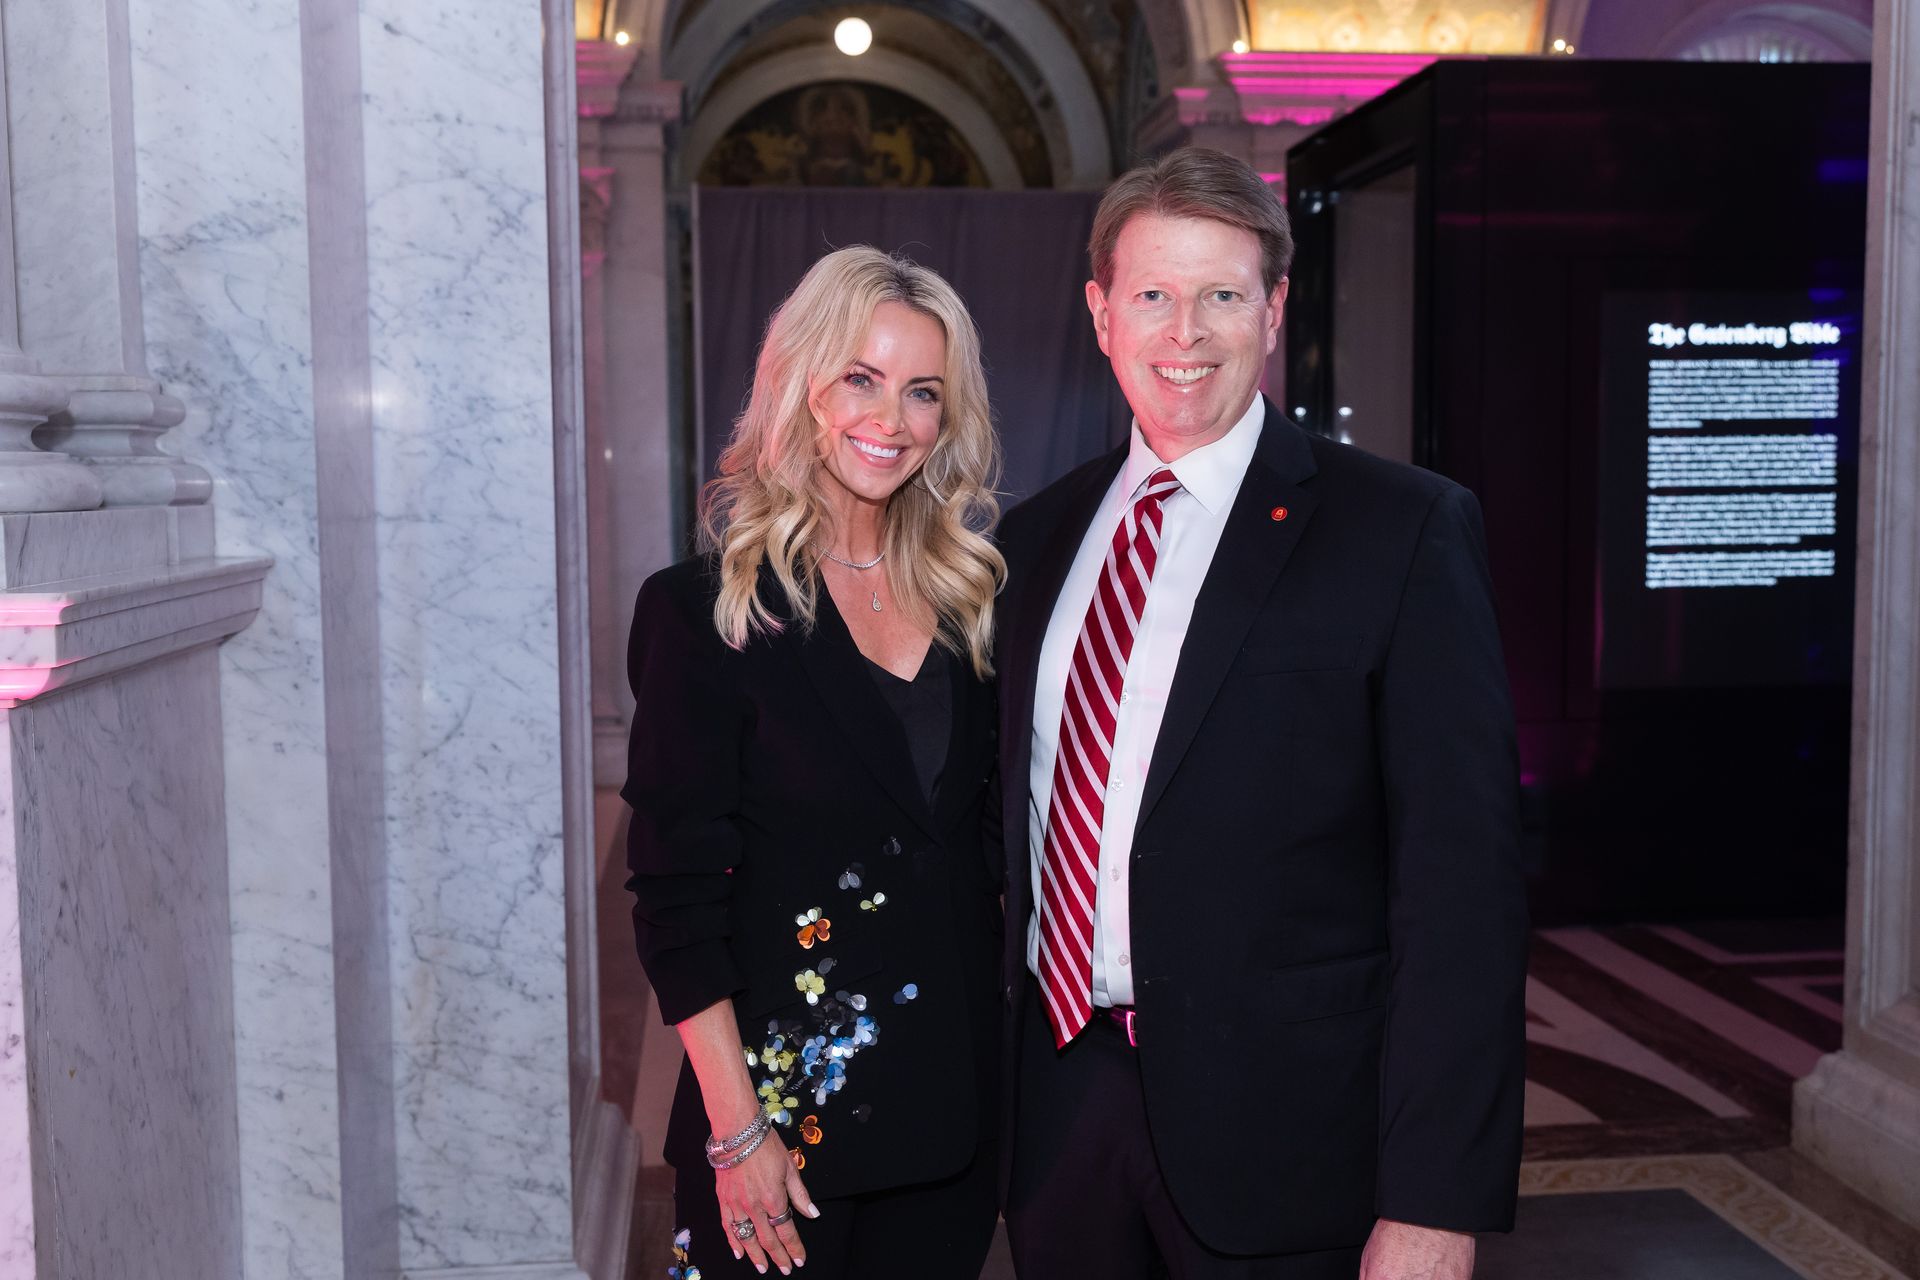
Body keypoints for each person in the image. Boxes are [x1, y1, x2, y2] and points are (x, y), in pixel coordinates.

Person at [994, 147, 1527, 1279]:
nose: (1184, 331)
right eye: (1153, 293)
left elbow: (1462, 894)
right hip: (1059, 1116)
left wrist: (1436, 1197)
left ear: (1274, 311)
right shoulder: (1031, 544)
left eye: (1222, 295)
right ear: (1101, 313)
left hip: (1291, 1138)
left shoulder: (1402, 532)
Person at [625, 246, 1006, 1279]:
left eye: (923, 391)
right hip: (778, 1126)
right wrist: (737, 1131)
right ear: (801, 385)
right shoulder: (705, 612)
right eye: (861, 378)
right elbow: (675, 897)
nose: (893, 418)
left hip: (952, 1126)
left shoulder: (977, 606)